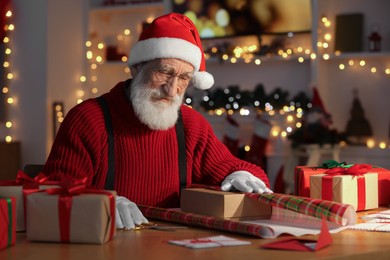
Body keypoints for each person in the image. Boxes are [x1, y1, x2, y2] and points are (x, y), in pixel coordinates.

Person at [43, 13, 272, 230]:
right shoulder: (88, 120)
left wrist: (239, 175)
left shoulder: (191, 125)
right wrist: (99, 202)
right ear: (136, 68)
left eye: (183, 78)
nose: (172, 91)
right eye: (164, 72)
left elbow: (240, 168)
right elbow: (52, 192)